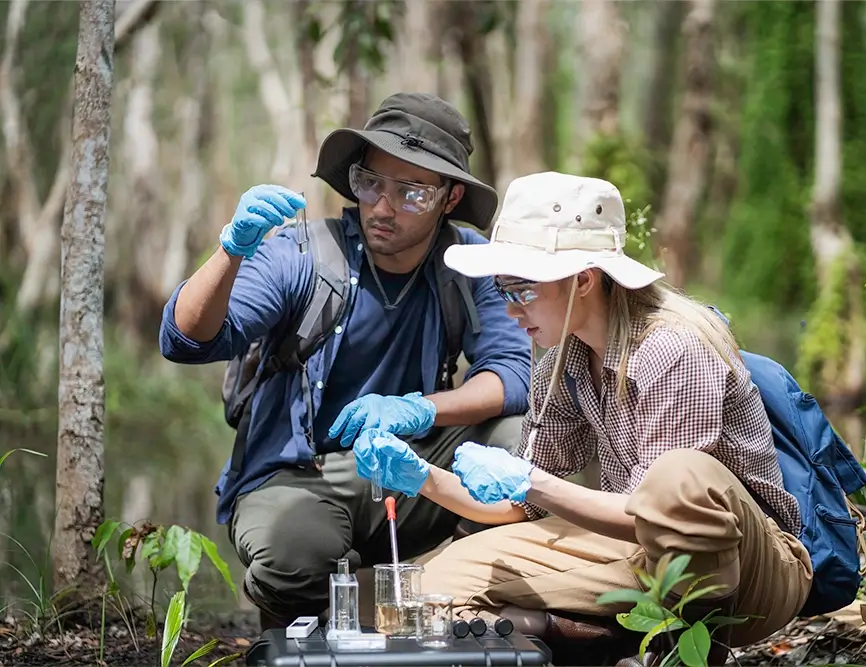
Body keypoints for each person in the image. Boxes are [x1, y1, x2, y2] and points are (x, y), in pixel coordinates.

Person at [349, 172, 814, 666]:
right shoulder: (563, 364)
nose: (510, 310)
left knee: (679, 478)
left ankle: (683, 652)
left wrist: (532, 482)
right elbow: (515, 506)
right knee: (392, 597)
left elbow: (659, 511)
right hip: (631, 549)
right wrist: (422, 477)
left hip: (747, 569)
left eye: (521, 289)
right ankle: (586, 639)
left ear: (583, 281)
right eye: (503, 289)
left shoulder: (673, 349)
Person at [157, 92, 532, 628]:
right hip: (300, 474)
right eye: (371, 182)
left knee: (518, 439)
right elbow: (185, 340)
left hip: (411, 466)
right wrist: (231, 251)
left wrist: (421, 409)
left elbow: (513, 377)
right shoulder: (304, 255)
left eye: (411, 193)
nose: (382, 206)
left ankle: (462, 592)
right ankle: (334, 610)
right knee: (294, 557)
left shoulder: (468, 264)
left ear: (449, 199)